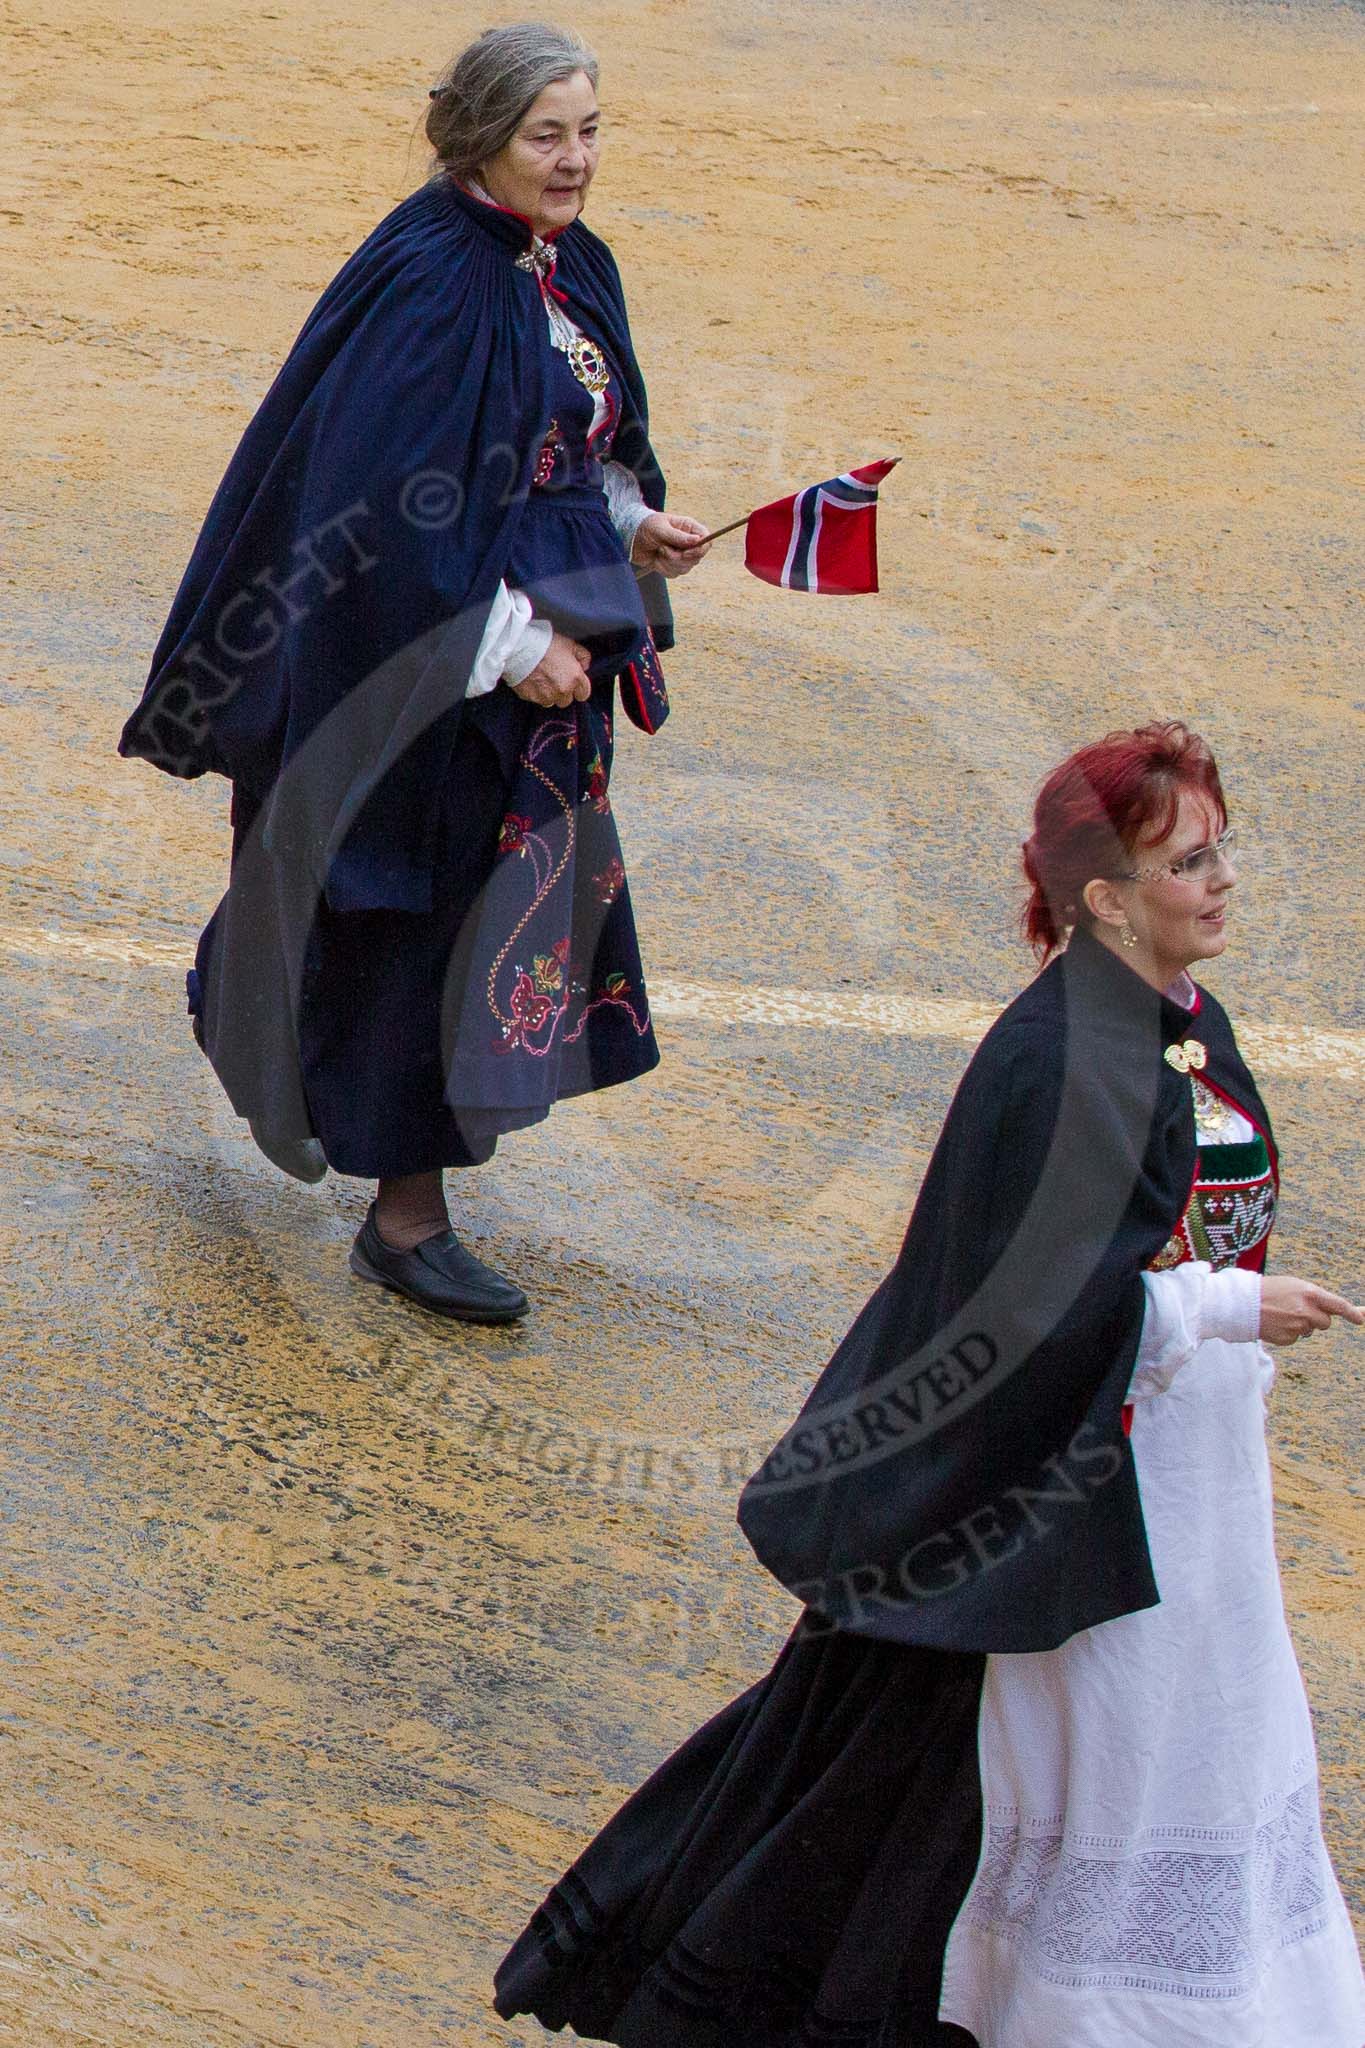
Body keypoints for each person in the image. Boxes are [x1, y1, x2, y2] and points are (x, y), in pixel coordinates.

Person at [494, 721, 1365, 2045]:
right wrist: (1229, 1304)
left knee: (1196, 1741)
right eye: (1188, 860)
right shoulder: (1058, 1058)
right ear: (1101, 895)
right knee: (1072, 1766)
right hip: (1083, 1485)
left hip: (1183, 1474)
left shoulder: (1177, 1017)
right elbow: (1029, 1311)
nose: (1219, 879)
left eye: (1218, 849)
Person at [118, 23, 709, 1321]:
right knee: (422, 930)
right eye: (546, 134)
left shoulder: (564, 265)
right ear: (479, 138)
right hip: (435, 676)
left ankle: (251, 995)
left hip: (530, 665)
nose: (574, 159)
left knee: (480, 919)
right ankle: (404, 1218)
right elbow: (382, 514)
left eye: (590, 129)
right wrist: (511, 646)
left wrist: (629, 526)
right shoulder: (440, 283)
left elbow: (575, 442)